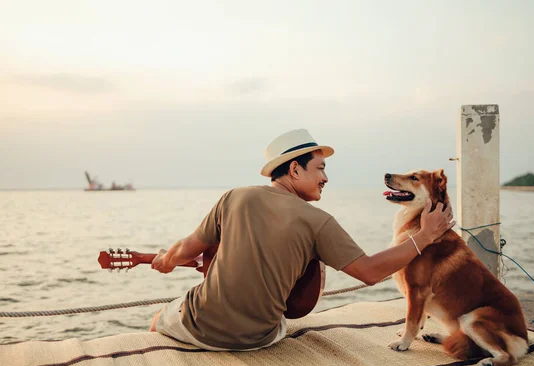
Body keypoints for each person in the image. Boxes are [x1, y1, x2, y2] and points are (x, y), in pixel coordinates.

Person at [149, 128, 455, 351]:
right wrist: (425, 236)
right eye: (320, 168)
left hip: (201, 326)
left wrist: (165, 260)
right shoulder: (318, 222)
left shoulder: (234, 197)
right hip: (259, 339)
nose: (325, 178)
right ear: (295, 169)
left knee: (159, 318)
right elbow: (371, 272)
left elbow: (184, 249)